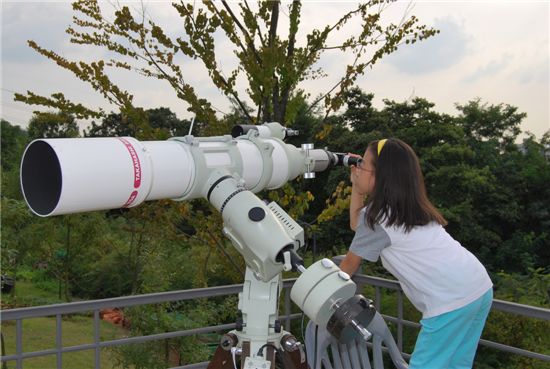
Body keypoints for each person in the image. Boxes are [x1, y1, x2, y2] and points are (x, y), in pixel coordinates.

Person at [339, 138, 493, 369]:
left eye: (363, 165)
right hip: (478, 288)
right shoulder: (406, 206)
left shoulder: (378, 217)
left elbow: (348, 266)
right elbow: (357, 225)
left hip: (450, 301)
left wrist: (320, 296)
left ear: (382, 175)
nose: (358, 169)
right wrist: (356, 186)